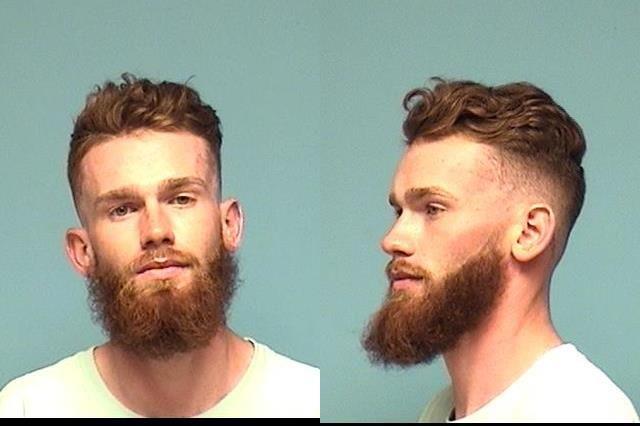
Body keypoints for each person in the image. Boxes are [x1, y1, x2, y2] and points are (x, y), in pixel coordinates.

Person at [0, 74, 319, 418]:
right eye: (122, 209)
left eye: (181, 199)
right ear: (83, 251)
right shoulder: (25, 408)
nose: (155, 230)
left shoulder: (306, 402)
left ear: (229, 224)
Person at [362, 78, 638, 422]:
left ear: (529, 233)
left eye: (433, 208)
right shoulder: (439, 410)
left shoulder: (584, 413)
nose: (392, 240)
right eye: (399, 211)